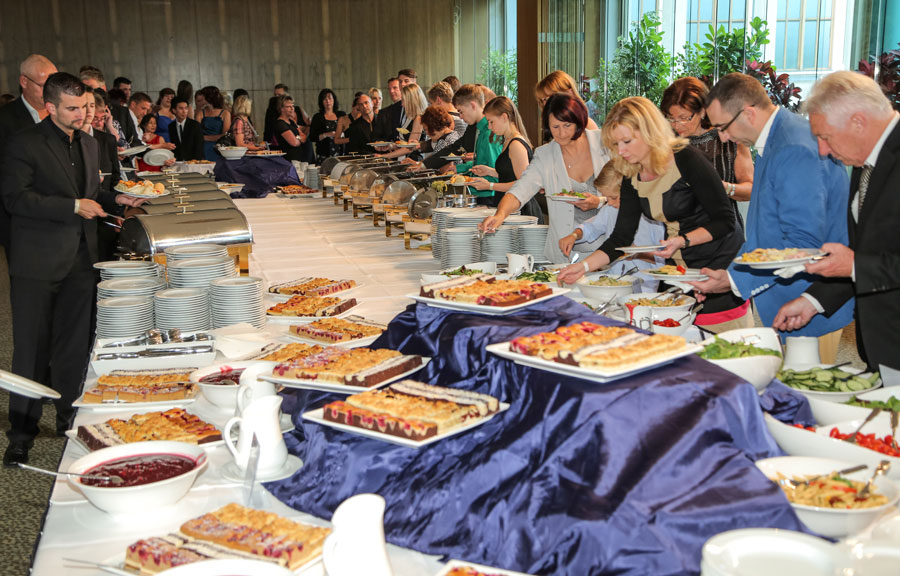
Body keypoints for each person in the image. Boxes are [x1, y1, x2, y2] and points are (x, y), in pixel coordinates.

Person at [0, 72, 143, 466]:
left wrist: (120, 197)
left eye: (85, 107)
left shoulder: (91, 142)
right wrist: (71, 206)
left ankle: (69, 417)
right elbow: (15, 199)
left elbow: (93, 193)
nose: (83, 115)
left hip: (82, 259)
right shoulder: (23, 143)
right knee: (31, 350)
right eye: (73, 108)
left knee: (74, 348)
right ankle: (21, 433)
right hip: (38, 262)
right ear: (50, 107)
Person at [688, 73, 852, 351]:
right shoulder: (779, 136)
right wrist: (729, 275)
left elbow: (803, 242)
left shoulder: (793, 147)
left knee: (804, 392)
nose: (723, 137)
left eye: (723, 127)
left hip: (807, 302)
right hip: (789, 299)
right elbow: (766, 231)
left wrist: (734, 281)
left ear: (749, 113)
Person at [555, 96, 748, 331]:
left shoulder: (687, 159)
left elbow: (726, 221)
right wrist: (583, 267)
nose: (621, 151)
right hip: (676, 272)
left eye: (626, 141)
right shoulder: (631, 172)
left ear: (649, 132)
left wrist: (683, 240)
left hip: (717, 267)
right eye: (615, 145)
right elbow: (621, 238)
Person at [773, 71, 900, 374]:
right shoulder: (865, 157)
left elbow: (861, 262)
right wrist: (813, 301)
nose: (822, 150)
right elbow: (867, 250)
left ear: (858, 121)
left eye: (825, 137)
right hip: (882, 347)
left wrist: (854, 265)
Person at [480, 94, 608, 260]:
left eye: (567, 125)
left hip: (608, 247)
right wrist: (500, 215)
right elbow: (520, 190)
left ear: (579, 121)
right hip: (565, 250)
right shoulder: (545, 154)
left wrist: (599, 201)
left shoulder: (604, 143)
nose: (561, 133)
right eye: (555, 127)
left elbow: (626, 193)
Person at [660, 77, 753, 230]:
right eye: (671, 118)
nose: (677, 125)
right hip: (680, 233)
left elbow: (750, 189)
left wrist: (721, 187)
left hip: (725, 232)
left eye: (684, 118)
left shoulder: (729, 138)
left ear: (702, 111)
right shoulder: (666, 143)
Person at [558, 162, 664, 282]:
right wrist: (575, 235)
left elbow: (665, 260)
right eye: (606, 198)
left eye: (614, 198)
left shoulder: (652, 219)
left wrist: (637, 254)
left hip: (645, 284)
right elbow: (592, 228)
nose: (610, 203)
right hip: (614, 278)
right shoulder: (610, 209)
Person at [0, 54, 57, 252]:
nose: (50, 92)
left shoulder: (60, 115)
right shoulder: (6, 120)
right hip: (24, 222)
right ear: (24, 81)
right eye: (43, 86)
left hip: (64, 218)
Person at [467, 96, 543, 222]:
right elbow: (510, 174)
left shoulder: (516, 145)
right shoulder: (507, 141)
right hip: (510, 207)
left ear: (504, 117)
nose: (489, 127)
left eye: (491, 122)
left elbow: (523, 184)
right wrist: (489, 171)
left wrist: (490, 186)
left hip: (521, 210)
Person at [451, 84, 503, 205]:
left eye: (461, 112)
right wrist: (459, 169)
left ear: (473, 105)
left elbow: (495, 171)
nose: (461, 117)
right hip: (484, 193)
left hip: (489, 196)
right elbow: (482, 164)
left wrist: (466, 177)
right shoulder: (480, 129)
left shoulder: (489, 132)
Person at [376, 84, 428, 161]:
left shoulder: (418, 118)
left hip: (413, 161)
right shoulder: (410, 116)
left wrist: (384, 156)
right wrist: (391, 146)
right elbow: (405, 144)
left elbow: (409, 148)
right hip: (404, 160)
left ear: (412, 100)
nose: (402, 104)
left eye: (403, 100)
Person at [536, 70, 600, 131]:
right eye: (545, 99)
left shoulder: (587, 126)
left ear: (570, 93)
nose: (549, 102)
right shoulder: (552, 127)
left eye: (553, 96)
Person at [409, 105, 461, 172]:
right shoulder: (452, 135)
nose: (427, 133)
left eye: (426, 129)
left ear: (433, 126)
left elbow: (445, 169)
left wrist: (416, 164)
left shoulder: (445, 140)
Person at [309, 88, 346, 162]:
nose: (328, 101)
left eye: (329, 98)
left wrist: (341, 134)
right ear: (321, 102)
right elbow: (312, 137)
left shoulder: (341, 115)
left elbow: (349, 131)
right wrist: (326, 135)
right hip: (324, 155)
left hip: (341, 154)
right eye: (325, 99)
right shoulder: (317, 117)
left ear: (334, 100)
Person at [195, 86, 231, 161]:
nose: (201, 100)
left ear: (208, 98)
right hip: (203, 147)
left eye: (203, 97)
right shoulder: (201, 113)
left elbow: (225, 134)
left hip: (219, 146)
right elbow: (196, 132)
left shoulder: (225, 113)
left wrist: (205, 138)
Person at [168, 96, 204, 161]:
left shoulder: (195, 125)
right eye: (181, 108)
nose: (184, 111)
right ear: (174, 110)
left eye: (186, 108)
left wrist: (195, 162)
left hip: (193, 162)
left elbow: (199, 146)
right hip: (178, 162)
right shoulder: (171, 126)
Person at [273, 94, 308, 162]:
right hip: (288, 160)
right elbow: (294, 143)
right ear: (281, 109)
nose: (292, 109)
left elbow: (304, 137)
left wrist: (298, 138)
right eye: (288, 107)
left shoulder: (291, 121)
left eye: (292, 106)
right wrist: (299, 138)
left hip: (299, 158)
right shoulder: (280, 124)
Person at [372, 76, 404, 142]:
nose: (391, 91)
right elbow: (376, 137)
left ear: (401, 88)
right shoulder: (383, 113)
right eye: (389, 89)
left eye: (395, 88)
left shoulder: (410, 110)